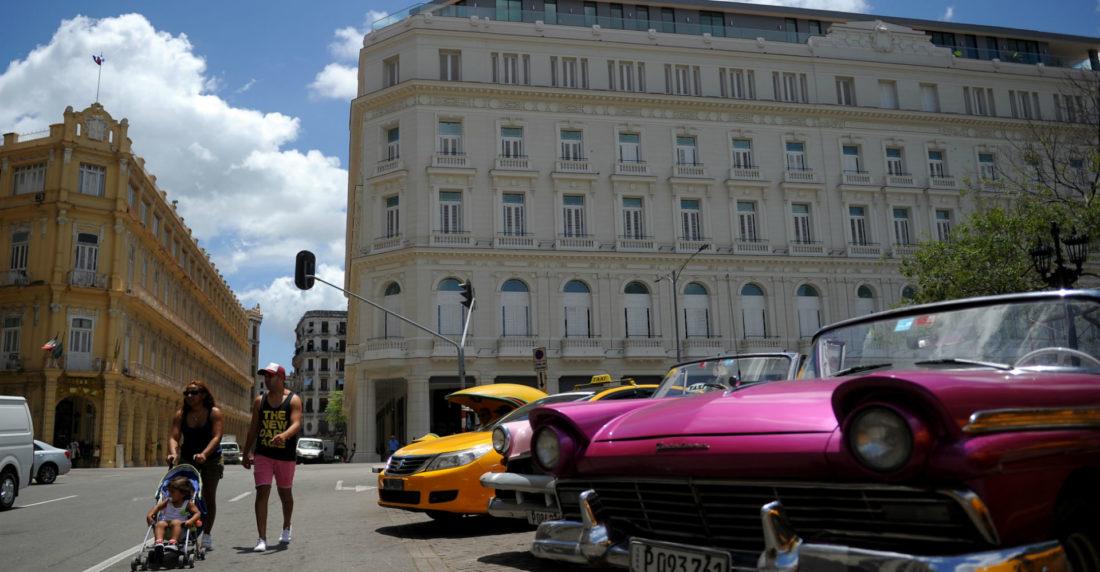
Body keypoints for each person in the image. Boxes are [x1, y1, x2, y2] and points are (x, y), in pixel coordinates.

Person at [242, 363, 302, 552]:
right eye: (265, 376)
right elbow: (253, 428)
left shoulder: (293, 400)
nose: (266, 380)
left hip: (285, 455)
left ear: (281, 378)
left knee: (285, 495)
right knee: (262, 492)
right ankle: (262, 538)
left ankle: (286, 526)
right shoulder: (260, 401)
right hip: (264, 454)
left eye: (270, 376)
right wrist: (246, 452)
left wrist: (284, 435)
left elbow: (296, 424)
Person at [166, 380, 224, 551]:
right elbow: (174, 437)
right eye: (187, 393)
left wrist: (205, 454)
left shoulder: (214, 413)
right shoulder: (181, 414)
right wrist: (173, 453)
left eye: (194, 392)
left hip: (211, 458)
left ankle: (206, 534)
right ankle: (181, 532)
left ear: (203, 395)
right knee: (181, 494)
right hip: (188, 456)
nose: (189, 396)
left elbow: (217, 436)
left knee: (208, 497)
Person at [145, 476, 201, 560]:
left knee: (175, 522)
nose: (169, 494)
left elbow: (197, 513)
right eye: (169, 491)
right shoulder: (168, 501)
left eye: (172, 492)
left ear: (183, 494)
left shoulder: (187, 504)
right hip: (166, 527)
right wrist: (149, 515)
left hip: (181, 528)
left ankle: (173, 543)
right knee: (159, 523)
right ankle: (159, 543)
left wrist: (191, 520)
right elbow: (157, 507)